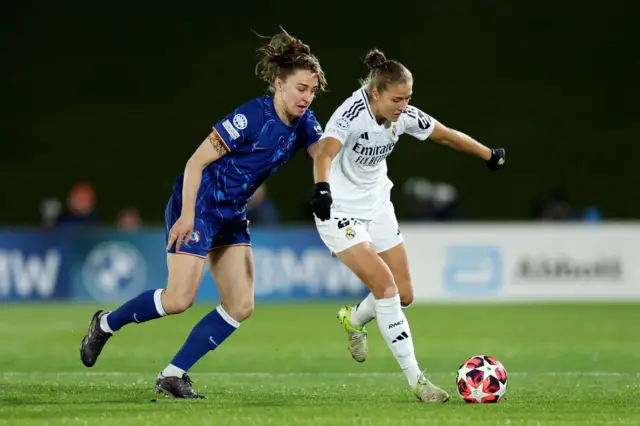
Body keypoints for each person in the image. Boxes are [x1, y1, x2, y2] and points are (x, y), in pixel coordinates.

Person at [79, 29, 327, 399]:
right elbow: (195, 163)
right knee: (179, 300)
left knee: (241, 305)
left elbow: (323, 153)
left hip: (232, 212)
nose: (307, 97)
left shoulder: (306, 123)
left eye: (312, 90)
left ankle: (173, 375)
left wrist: (327, 185)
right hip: (197, 204)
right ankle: (105, 323)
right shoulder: (249, 118)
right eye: (300, 88)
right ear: (278, 84)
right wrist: (187, 215)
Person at [309, 49, 506, 403]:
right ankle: (419, 382)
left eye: (408, 98)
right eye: (397, 99)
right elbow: (324, 152)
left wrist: (488, 154)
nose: (404, 105)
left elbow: (446, 134)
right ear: (375, 94)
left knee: (404, 294)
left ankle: (353, 320)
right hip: (338, 209)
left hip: (378, 205)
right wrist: (321, 188)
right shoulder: (350, 115)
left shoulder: (404, 117)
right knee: (385, 287)